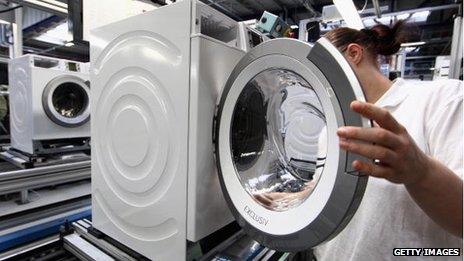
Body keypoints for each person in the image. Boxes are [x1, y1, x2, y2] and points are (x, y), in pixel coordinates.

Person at [314, 22, 463, 260]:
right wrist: (297, 199)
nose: (318, 81)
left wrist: (421, 172)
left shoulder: (441, 100)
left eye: (322, 69)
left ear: (354, 53)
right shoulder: (330, 129)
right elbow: (328, 192)